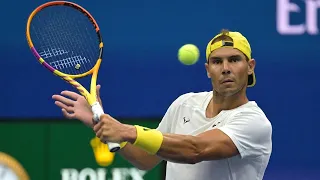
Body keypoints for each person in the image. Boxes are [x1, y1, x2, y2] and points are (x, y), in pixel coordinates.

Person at [52, 29, 272, 180]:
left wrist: (126, 131)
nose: (225, 68)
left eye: (234, 60)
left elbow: (194, 149)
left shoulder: (254, 122)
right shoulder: (185, 104)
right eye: (217, 61)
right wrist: (98, 123)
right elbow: (146, 159)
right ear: (207, 69)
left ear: (250, 66)